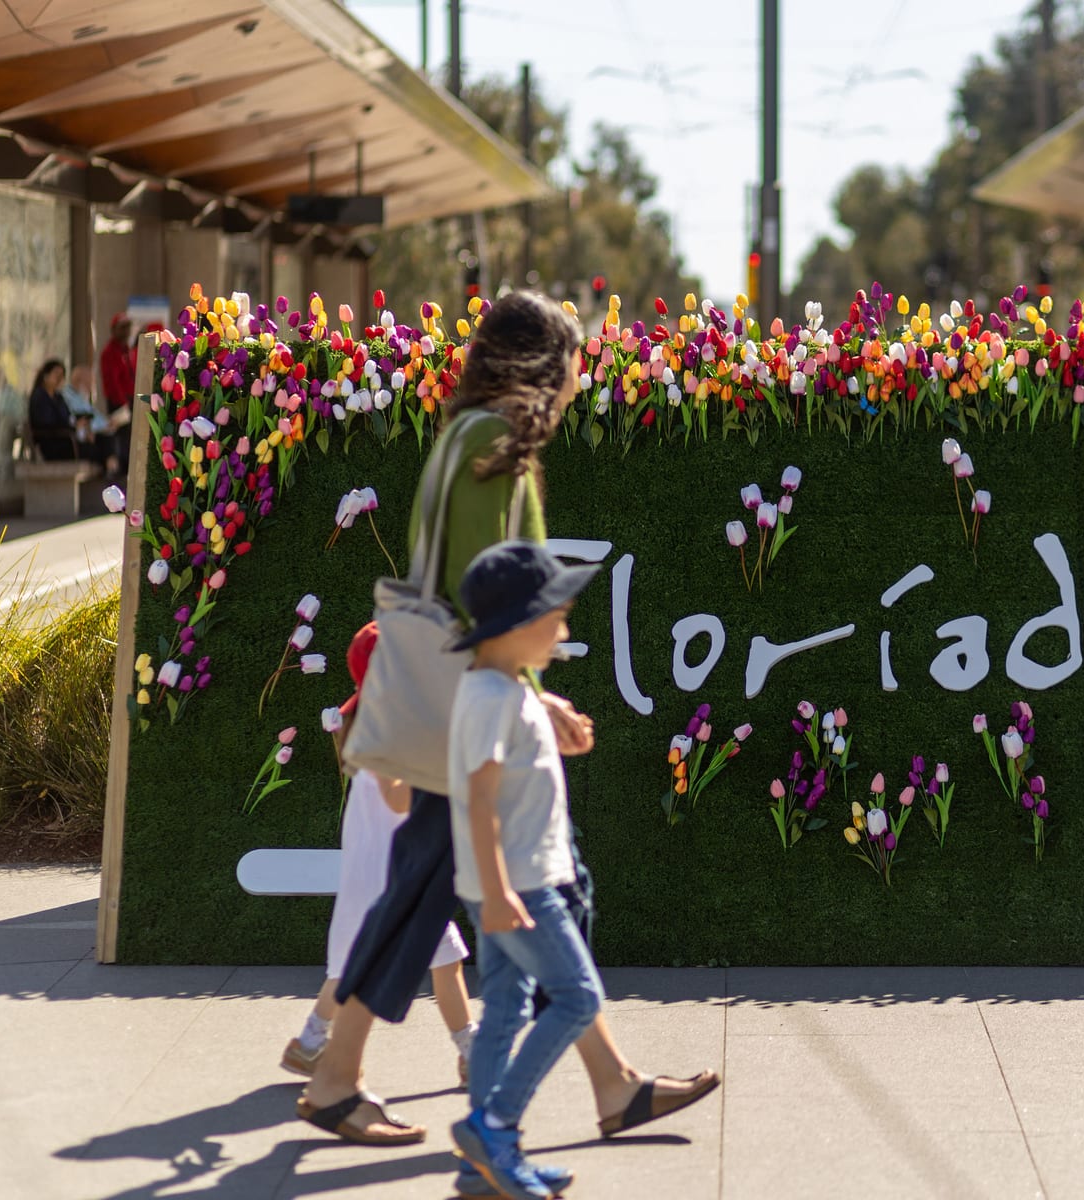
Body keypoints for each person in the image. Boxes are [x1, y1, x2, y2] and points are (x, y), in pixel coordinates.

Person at [296, 292, 718, 1154]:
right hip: (471, 724)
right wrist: (532, 697)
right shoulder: (492, 448)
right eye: (569, 367)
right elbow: (490, 593)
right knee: (476, 898)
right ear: (536, 368)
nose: (574, 385)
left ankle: (612, 1083)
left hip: (464, 713)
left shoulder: (463, 440)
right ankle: (342, 1077)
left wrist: (532, 695)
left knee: (513, 893)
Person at [448, 542, 603, 1199]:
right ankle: (495, 1125)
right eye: (556, 619)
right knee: (578, 996)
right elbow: (479, 800)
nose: (564, 632)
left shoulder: (505, 689)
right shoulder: (490, 697)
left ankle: (481, 1165)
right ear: (516, 626)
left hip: (510, 881)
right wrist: (500, 891)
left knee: (505, 1008)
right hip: (517, 887)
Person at [281, 621, 478, 1086]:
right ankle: (316, 1047)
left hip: (386, 877)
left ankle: (311, 1044)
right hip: (390, 882)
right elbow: (396, 797)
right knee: (360, 974)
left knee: (416, 964)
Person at [28, 359, 117, 473]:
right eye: (56, 374)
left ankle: (111, 469)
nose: (59, 378)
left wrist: (79, 423)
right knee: (94, 450)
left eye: (62, 375)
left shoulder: (58, 397)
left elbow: (69, 417)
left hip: (67, 439)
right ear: (46, 376)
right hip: (54, 444)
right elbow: (46, 425)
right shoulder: (40, 397)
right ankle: (110, 471)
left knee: (105, 439)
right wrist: (73, 428)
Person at [100, 314, 135, 472]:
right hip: (118, 401)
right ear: (114, 330)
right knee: (121, 438)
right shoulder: (109, 352)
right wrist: (123, 402)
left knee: (129, 437)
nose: (126, 331)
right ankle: (122, 469)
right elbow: (112, 381)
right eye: (122, 328)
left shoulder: (126, 350)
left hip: (129, 399)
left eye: (127, 327)